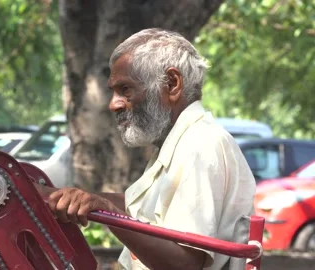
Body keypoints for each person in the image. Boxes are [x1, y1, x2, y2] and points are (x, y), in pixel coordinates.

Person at [34, 28, 256, 270]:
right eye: (114, 91)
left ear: (172, 84)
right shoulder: (180, 141)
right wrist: (58, 196)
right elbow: (136, 208)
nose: (113, 104)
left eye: (125, 89)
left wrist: (108, 212)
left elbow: (184, 265)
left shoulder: (201, 145)